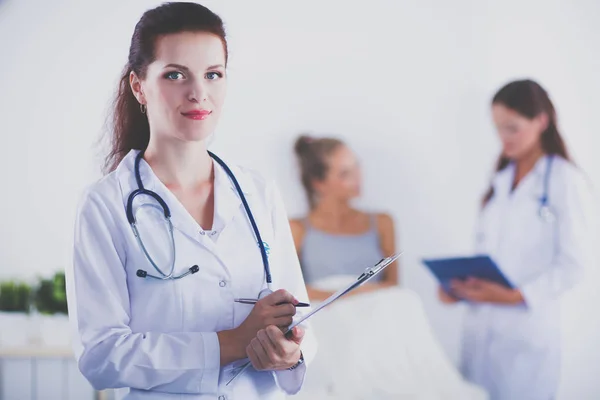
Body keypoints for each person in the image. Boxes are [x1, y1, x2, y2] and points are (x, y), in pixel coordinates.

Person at [65, 3, 316, 399]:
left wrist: (288, 353)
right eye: (175, 74)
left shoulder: (257, 191)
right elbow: (100, 356)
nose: (199, 92)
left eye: (213, 74)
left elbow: (301, 320)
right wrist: (232, 342)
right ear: (138, 86)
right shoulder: (105, 205)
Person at [439, 79, 591, 400]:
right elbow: (490, 253)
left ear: (542, 121)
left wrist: (515, 296)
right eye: (497, 129)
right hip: (481, 331)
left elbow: (574, 266)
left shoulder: (564, 180)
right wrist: (461, 287)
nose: (503, 139)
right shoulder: (500, 180)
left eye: (513, 128)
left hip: (526, 335)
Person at [289, 135, 399, 301]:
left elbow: (393, 287)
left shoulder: (382, 223)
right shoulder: (297, 229)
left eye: (357, 166)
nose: (357, 178)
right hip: (325, 321)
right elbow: (290, 290)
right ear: (318, 183)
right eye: (345, 173)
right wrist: (349, 295)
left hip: (376, 318)